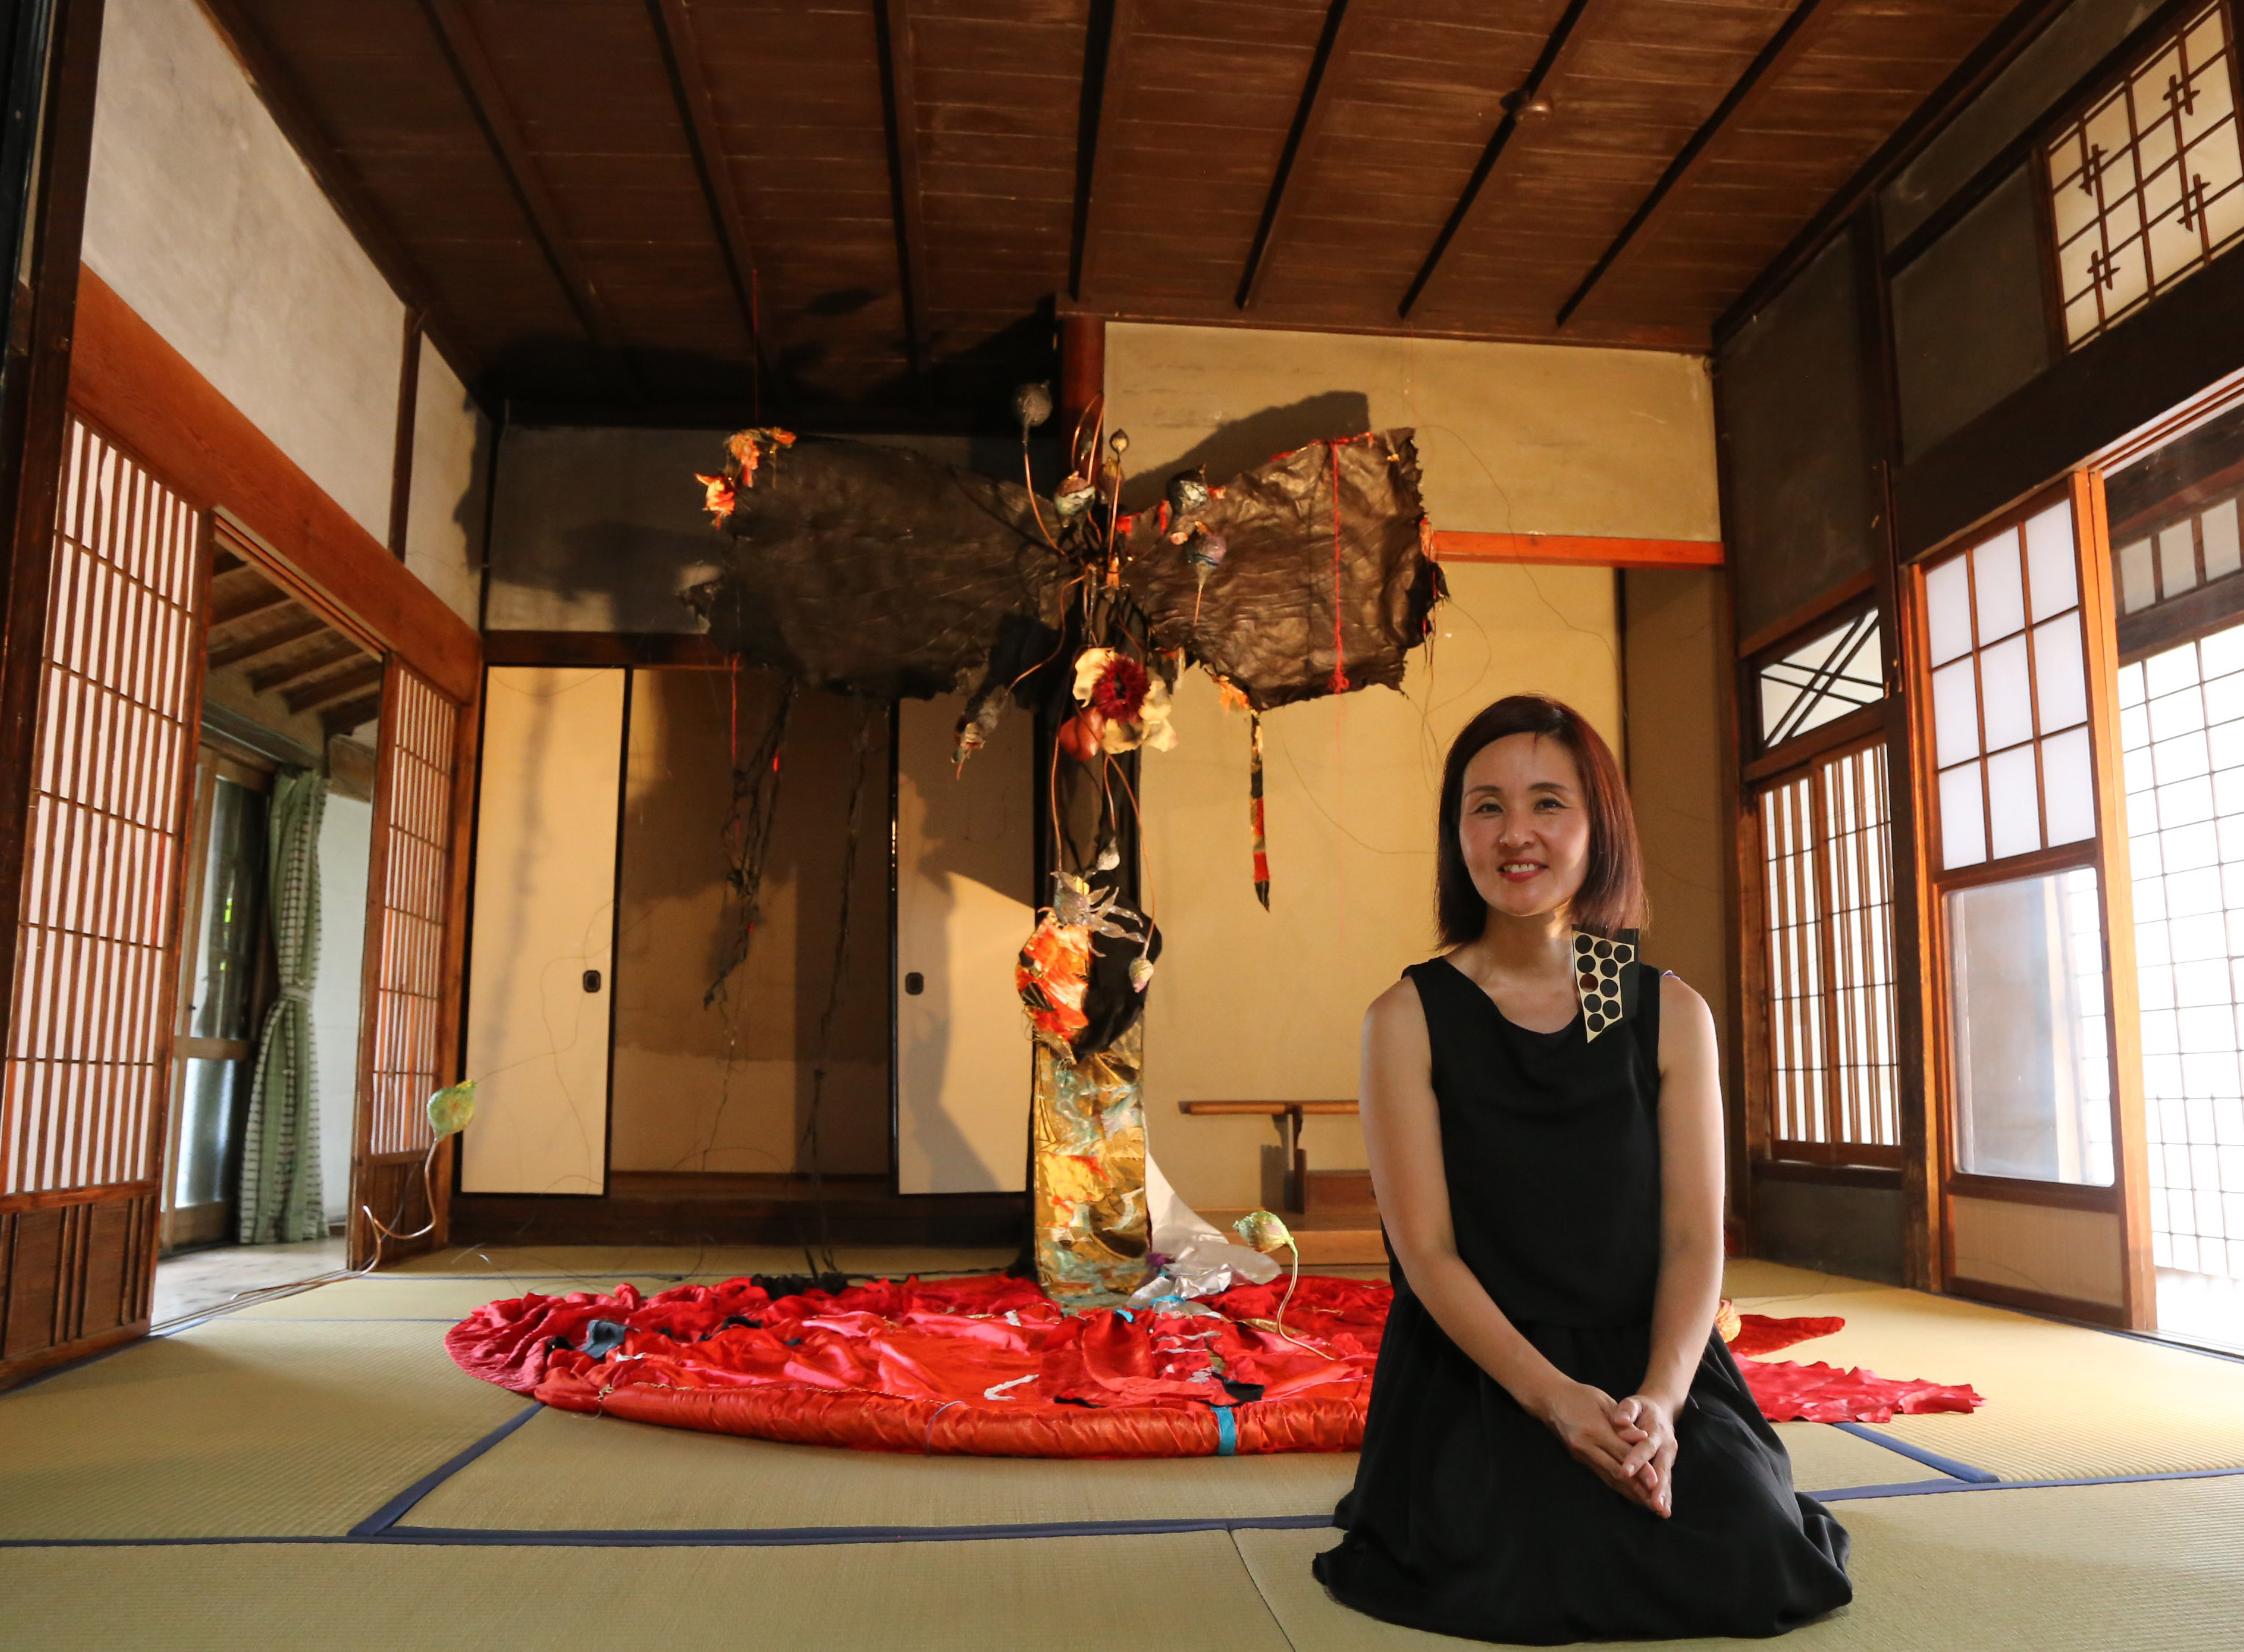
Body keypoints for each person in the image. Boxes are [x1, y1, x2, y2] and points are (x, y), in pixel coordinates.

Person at [1314, 694, 1852, 1643]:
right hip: (1483, 1363)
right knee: (1529, 1565)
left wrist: (1658, 1400)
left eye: (1546, 803)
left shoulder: (1649, 1003)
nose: (1514, 833)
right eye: (1485, 806)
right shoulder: (1412, 1014)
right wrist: (1556, 1401)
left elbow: (1691, 1237)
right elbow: (1427, 1255)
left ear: (1598, 827)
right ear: (1456, 833)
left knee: (1748, 1553)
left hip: (1647, 1354)